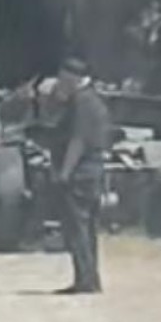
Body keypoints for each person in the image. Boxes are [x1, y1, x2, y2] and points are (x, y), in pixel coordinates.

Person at [51, 57, 109, 294]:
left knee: (78, 228)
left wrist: (65, 172)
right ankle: (89, 279)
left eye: (63, 79)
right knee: (88, 228)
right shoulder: (93, 99)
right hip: (92, 171)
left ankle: (85, 281)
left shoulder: (81, 102)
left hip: (80, 173)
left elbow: (78, 140)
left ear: (72, 77)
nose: (60, 83)